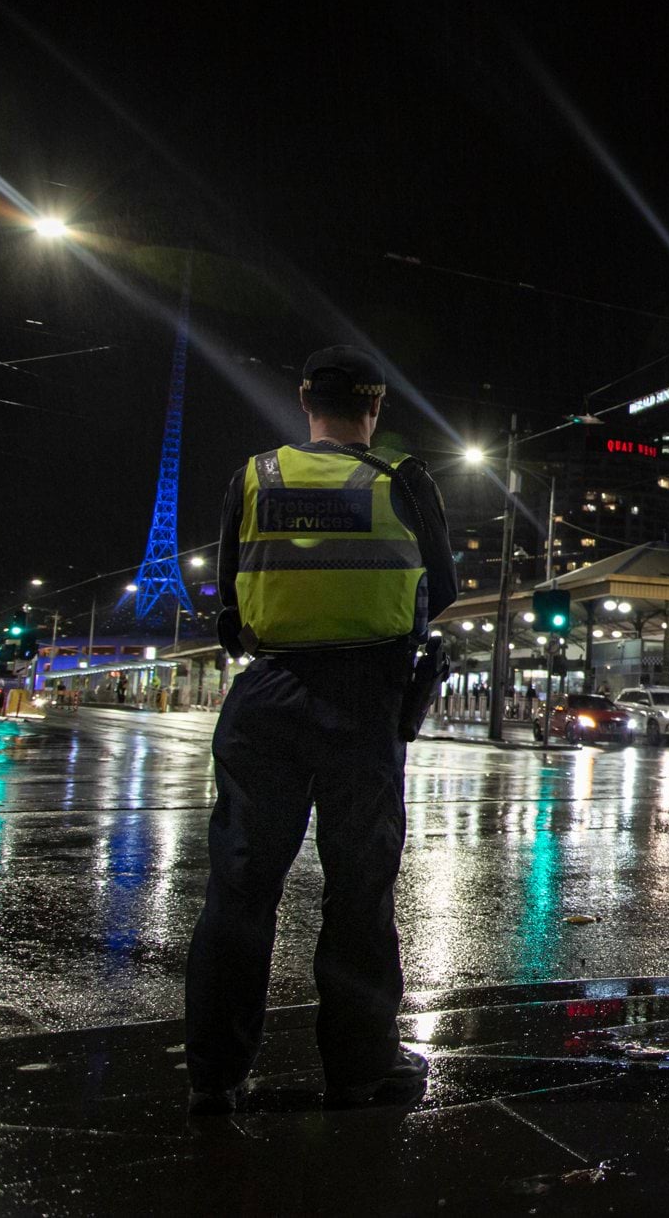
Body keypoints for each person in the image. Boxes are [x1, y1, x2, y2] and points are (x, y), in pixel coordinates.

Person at [183, 345, 456, 1115]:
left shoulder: (255, 476)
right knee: (359, 890)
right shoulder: (404, 481)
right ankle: (361, 1069)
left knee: (239, 887)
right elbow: (443, 588)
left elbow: (231, 601)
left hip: (266, 693)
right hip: (365, 700)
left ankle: (214, 1073)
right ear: (375, 409)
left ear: (307, 400)